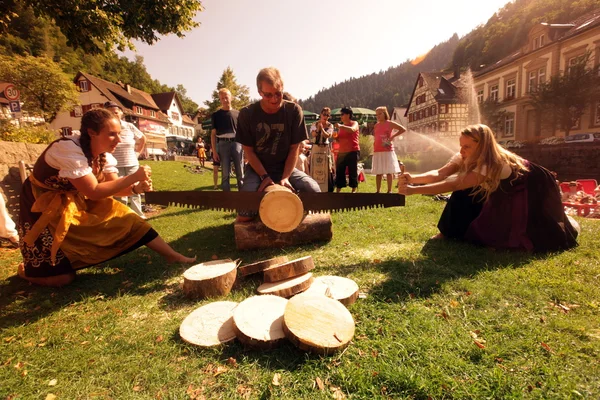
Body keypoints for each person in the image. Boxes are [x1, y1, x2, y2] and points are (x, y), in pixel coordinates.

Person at [17, 109, 195, 287]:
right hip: (40, 207)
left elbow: (113, 187)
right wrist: (133, 177)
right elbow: (93, 191)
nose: (118, 140)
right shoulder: (67, 149)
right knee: (62, 279)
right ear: (91, 132)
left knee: (128, 218)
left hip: (76, 199)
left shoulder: (104, 156)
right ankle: (27, 272)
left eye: (118, 134)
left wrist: (135, 188)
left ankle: (172, 256)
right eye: (111, 135)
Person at [398, 124, 578, 252]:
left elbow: (453, 184)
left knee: (530, 229)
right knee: (466, 192)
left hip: (533, 183)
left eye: (466, 147)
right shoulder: (465, 154)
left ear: (482, 146)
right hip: (507, 183)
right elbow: (441, 173)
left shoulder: (492, 163)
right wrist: (414, 178)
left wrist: (413, 190)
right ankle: (449, 232)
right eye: (461, 145)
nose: (461, 151)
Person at [236, 67, 320, 221]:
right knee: (244, 210)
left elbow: (294, 148)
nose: (274, 99)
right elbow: (249, 151)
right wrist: (264, 176)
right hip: (257, 169)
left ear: (283, 88)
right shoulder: (247, 114)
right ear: (259, 92)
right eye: (268, 95)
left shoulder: (294, 111)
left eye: (278, 93)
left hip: (284, 167)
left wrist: (286, 177)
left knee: (314, 191)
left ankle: (291, 219)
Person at [104, 101, 147, 218]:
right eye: (110, 113)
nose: (114, 114)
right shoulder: (105, 128)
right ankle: (122, 216)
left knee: (136, 191)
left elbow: (142, 138)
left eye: (116, 112)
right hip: (114, 166)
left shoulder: (129, 126)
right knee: (119, 193)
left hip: (131, 163)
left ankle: (139, 216)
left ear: (121, 113)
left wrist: (138, 153)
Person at [211, 88, 244, 191]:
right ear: (220, 100)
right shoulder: (216, 115)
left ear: (231, 98)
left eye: (226, 97)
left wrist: (246, 150)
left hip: (237, 143)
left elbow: (243, 133)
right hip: (223, 144)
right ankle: (227, 200)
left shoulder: (239, 114)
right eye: (222, 98)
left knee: (240, 173)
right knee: (225, 174)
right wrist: (215, 152)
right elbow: (213, 134)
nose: (224, 100)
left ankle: (243, 198)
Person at [372, 106, 406, 193]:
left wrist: (392, 137)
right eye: (377, 115)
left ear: (385, 114)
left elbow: (403, 129)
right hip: (377, 150)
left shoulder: (390, 123)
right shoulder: (376, 125)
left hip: (387, 150)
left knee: (389, 171)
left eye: (380, 114)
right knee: (378, 172)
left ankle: (389, 190)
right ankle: (378, 191)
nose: (378, 116)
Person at [334, 107, 360, 193]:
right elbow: (339, 139)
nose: (341, 116)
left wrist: (341, 126)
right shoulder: (341, 127)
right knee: (340, 170)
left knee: (352, 170)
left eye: (342, 114)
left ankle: (353, 189)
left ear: (348, 115)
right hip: (342, 151)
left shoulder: (354, 123)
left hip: (353, 150)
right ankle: (338, 189)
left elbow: (352, 130)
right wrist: (336, 138)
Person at [309, 107, 335, 192]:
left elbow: (328, 135)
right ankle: (313, 187)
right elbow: (313, 134)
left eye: (327, 115)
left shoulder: (330, 125)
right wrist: (318, 129)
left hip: (324, 149)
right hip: (316, 148)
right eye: (324, 114)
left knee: (325, 168)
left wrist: (322, 129)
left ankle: (325, 188)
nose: (325, 117)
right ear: (321, 114)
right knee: (315, 167)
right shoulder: (314, 124)